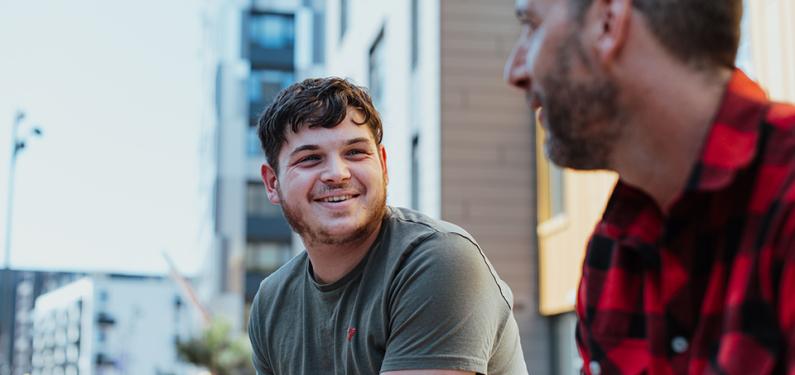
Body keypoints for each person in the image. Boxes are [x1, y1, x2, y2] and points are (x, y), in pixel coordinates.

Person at [505, 0, 795, 373]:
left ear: (608, 21)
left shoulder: (784, 198)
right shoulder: (613, 249)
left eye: (531, 25)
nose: (514, 72)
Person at [247, 77, 528, 375]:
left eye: (355, 152)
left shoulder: (440, 260)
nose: (337, 174)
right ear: (272, 183)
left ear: (383, 164)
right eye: (310, 158)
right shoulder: (271, 302)